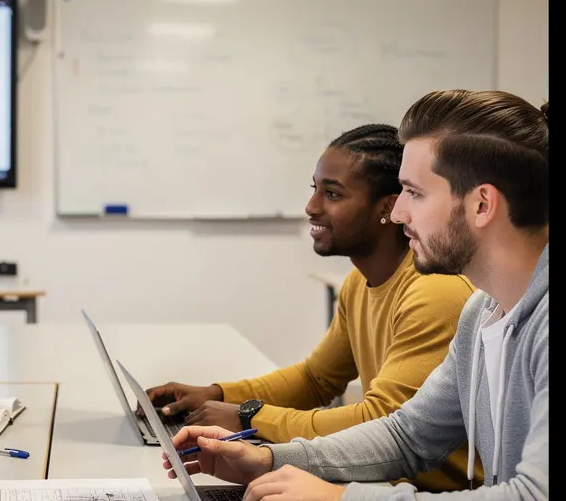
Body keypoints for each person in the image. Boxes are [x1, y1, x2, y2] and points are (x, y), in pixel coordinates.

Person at [163, 91, 548, 499]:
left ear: (481, 205)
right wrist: (273, 459)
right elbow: (406, 436)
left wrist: (341, 497)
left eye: (414, 193)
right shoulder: (481, 313)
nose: (398, 214)